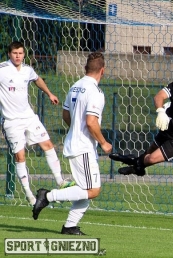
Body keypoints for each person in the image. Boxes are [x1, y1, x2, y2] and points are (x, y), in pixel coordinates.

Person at [32, 52, 112, 235]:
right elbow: (91, 122)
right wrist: (104, 142)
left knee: (84, 189)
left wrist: (76, 129)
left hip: (74, 144)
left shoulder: (75, 86)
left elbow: (66, 115)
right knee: (93, 190)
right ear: (102, 70)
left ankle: (69, 226)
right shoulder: (96, 92)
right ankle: (48, 196)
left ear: (85, 68)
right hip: (83, 147)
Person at [0, 41, 71, 206]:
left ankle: (60, 181)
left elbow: (37, 79)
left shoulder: (27, 70)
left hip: (29, 117)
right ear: (9, 54)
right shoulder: (2, 70)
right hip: (11, 121)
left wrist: (49, 94)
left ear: (24, 54)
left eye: (20, 53)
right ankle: (29, 194)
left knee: (47, 144)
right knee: (20, 156)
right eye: (15, 53)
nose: (18, 56)